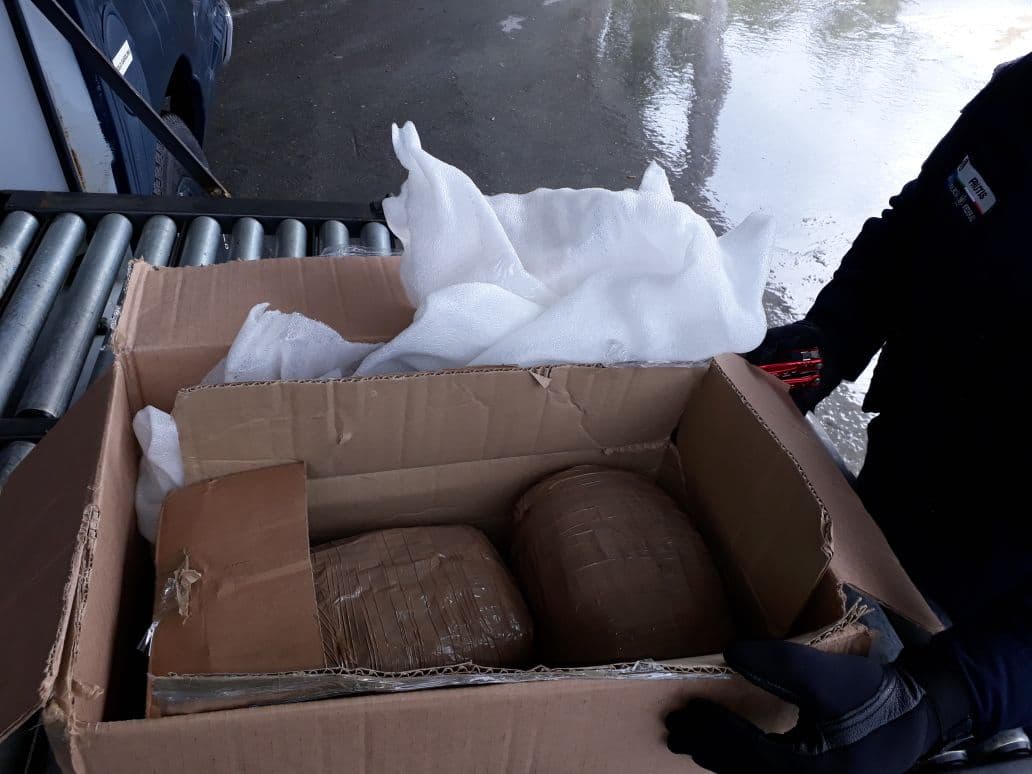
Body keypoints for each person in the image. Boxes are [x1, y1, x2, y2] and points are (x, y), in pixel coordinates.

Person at [665, 53, 1032, 773]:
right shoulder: (1020, 95)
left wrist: (949, 695)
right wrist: (826, 343)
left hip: (1007, 605)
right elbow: (915, 223)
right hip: (903, 481)